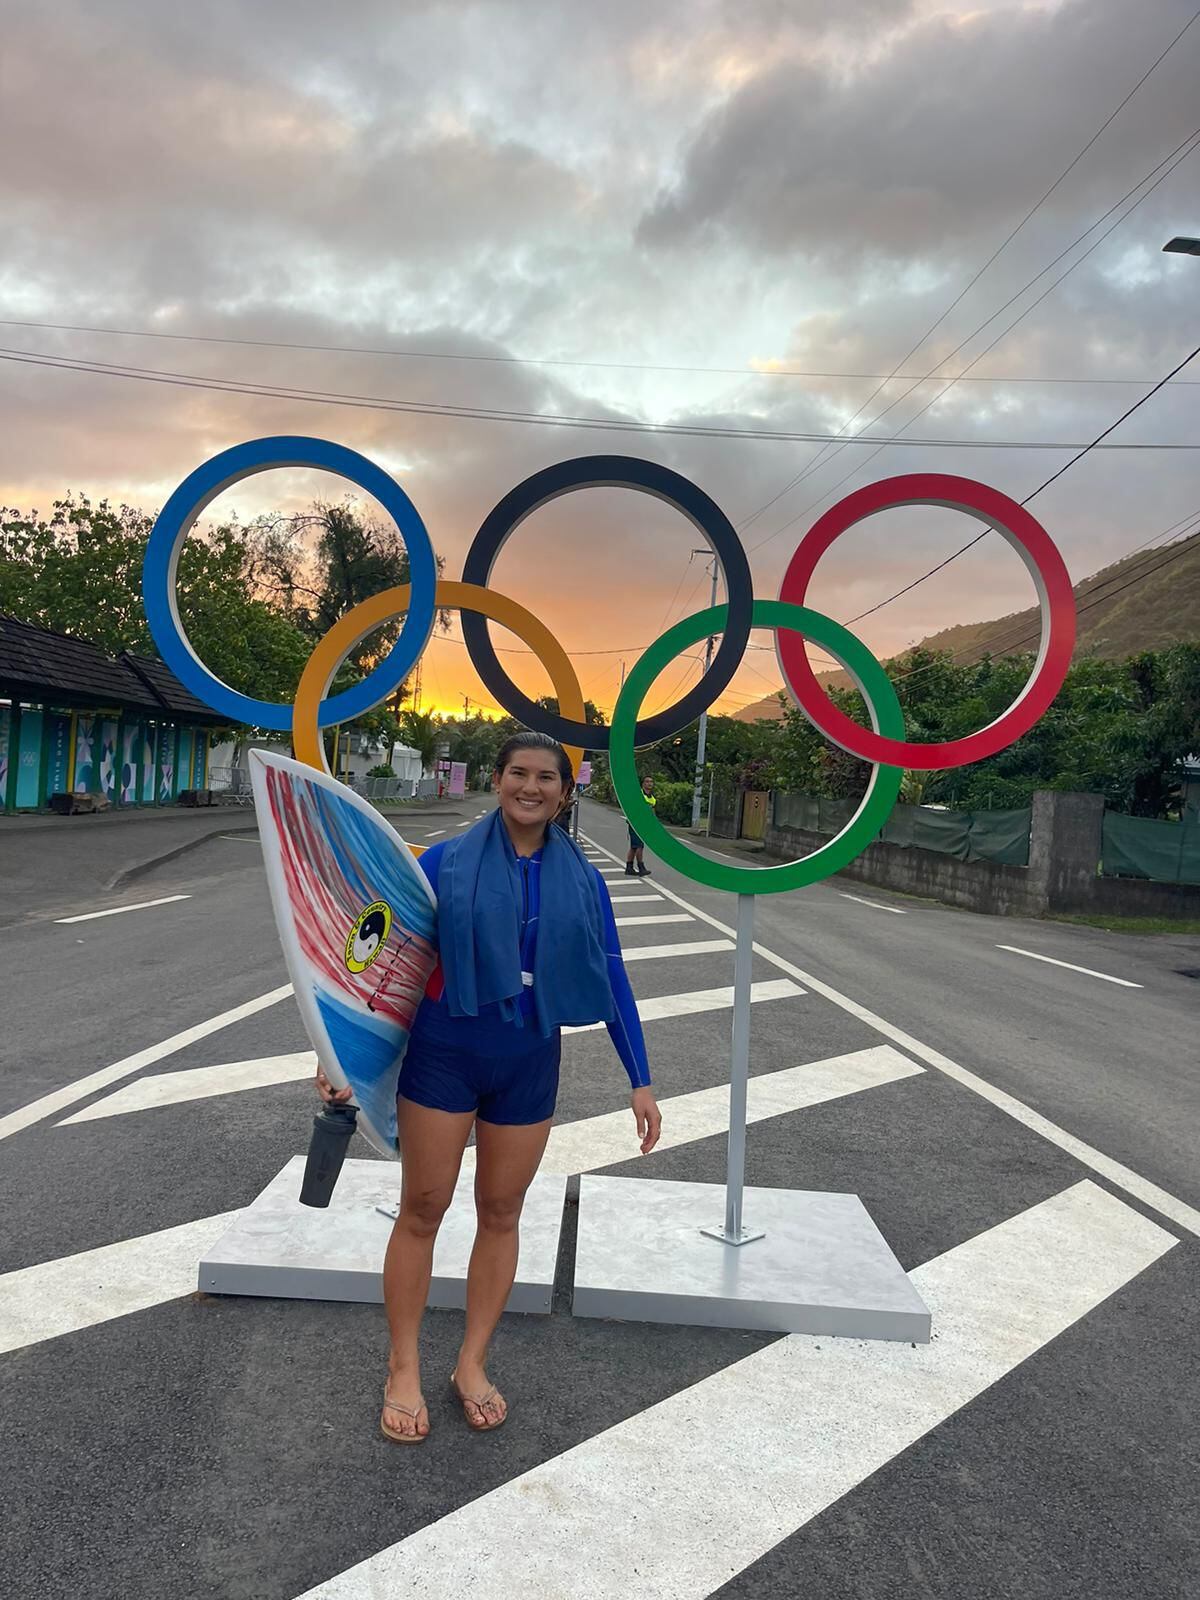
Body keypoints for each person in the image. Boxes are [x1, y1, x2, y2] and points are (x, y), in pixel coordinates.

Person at [316, 730, 662, 1444]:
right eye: (518, 774)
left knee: (502, 1212)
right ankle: (403, 1367)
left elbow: (613, 977)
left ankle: (471, 1364)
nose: (531, 788)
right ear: (498, 779)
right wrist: (339, 1049)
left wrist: (641, 1079)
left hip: (529, 1058)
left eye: (546, 778)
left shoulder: (585, 880)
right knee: (423, 1207)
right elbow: (381, 956)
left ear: (567, 792)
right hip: (446, 1050)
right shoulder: (443, 861)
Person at [624, 775, 656, 876]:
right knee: (639, 846)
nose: (649, 783)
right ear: (643, 784)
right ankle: (641, 867)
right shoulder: (638, 794)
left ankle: (629, 867)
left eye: (651, 782)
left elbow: (652, 812)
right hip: (635, 823)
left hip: (644, 824)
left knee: (634, 846)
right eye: (647, 781)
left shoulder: (653, 799)